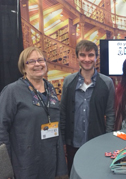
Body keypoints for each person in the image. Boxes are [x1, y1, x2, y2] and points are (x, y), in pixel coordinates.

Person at [0, 47, 67, 179]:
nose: (37, 64)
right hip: (25, 161)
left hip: (49, 158)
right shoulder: (12, 91)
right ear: (23, 68)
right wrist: (5, 165)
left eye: (40, 60)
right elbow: (1, 128)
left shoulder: (51, 88)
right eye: (31, 61)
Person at [60, 40, 115, 174]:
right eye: (82, 55)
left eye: (91, 55)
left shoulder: (107, 82)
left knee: (96, 173)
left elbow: (111, 114)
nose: (87, 59)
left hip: (97, 140)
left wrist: (107, 138)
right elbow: (63, 112)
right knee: (75, 172)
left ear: (96, 57)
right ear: (77, 57)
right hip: (73, 141)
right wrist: (61, 139)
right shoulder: (68, 81)